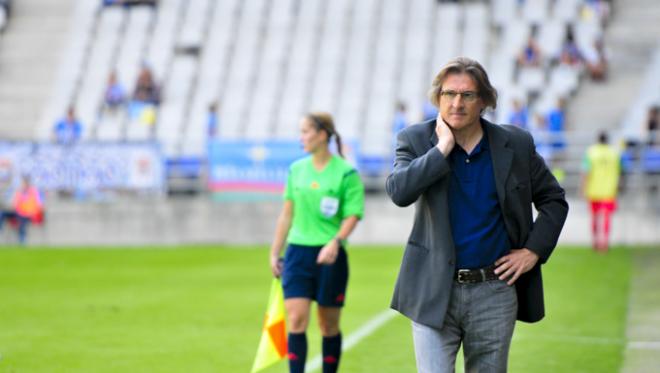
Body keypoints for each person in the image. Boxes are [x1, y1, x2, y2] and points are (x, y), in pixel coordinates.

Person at [386, 57, 568, 372]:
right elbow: (400, 192)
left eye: (467, 95)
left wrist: (533, 251)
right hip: (432, 289)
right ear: (438, 98)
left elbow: (554, 199)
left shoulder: (515, 143)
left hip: (494, 291)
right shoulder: (415, 139)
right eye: (448, 94)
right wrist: (441, 149)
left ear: (483, 100)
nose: (456, 103)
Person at [269, 112, 365, 373]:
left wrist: (336, 242)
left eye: (305, 132)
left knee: (328, 325)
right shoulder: (296, 170)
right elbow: (287, 213)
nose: (301, 138)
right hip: (298, 253)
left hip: (330, 256)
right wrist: (275, 252)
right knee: (296, 319)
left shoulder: (346, 173)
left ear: (322, 135)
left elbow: (353, 214)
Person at [581, 131, 620, 252]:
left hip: (594, 189)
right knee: (606, 218)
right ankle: (605, 243)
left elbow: (586, 172)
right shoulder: (614, 153)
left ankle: (595, 242)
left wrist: (583, 187)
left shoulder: (591, 152)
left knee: (595, 217)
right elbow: (621, 170)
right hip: (609, 190)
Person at [8, 175, 43, 245]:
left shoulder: (34, 192)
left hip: (30, 214)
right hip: (19, 213)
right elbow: (14, 204)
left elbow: (39, 205)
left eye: (24, 183)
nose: (23, 185)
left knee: (22, 220)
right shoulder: (19, 192)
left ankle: (22, 239)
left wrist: (31, 212)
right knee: (2, 214)